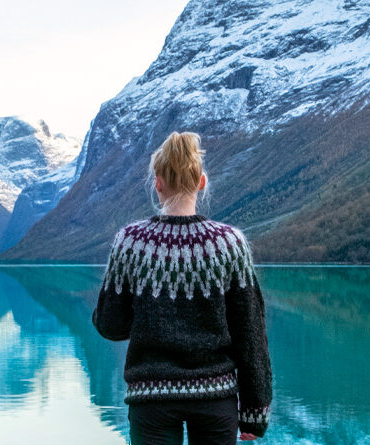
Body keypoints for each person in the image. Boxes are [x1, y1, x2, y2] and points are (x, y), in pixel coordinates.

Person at [92, 131, 272, 444]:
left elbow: (111, 325)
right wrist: (255, 410)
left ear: (158, 182)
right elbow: (250, 334)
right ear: (201, 182)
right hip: (216, 399)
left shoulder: (131, 243)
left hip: (151, 399)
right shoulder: (230, 245)